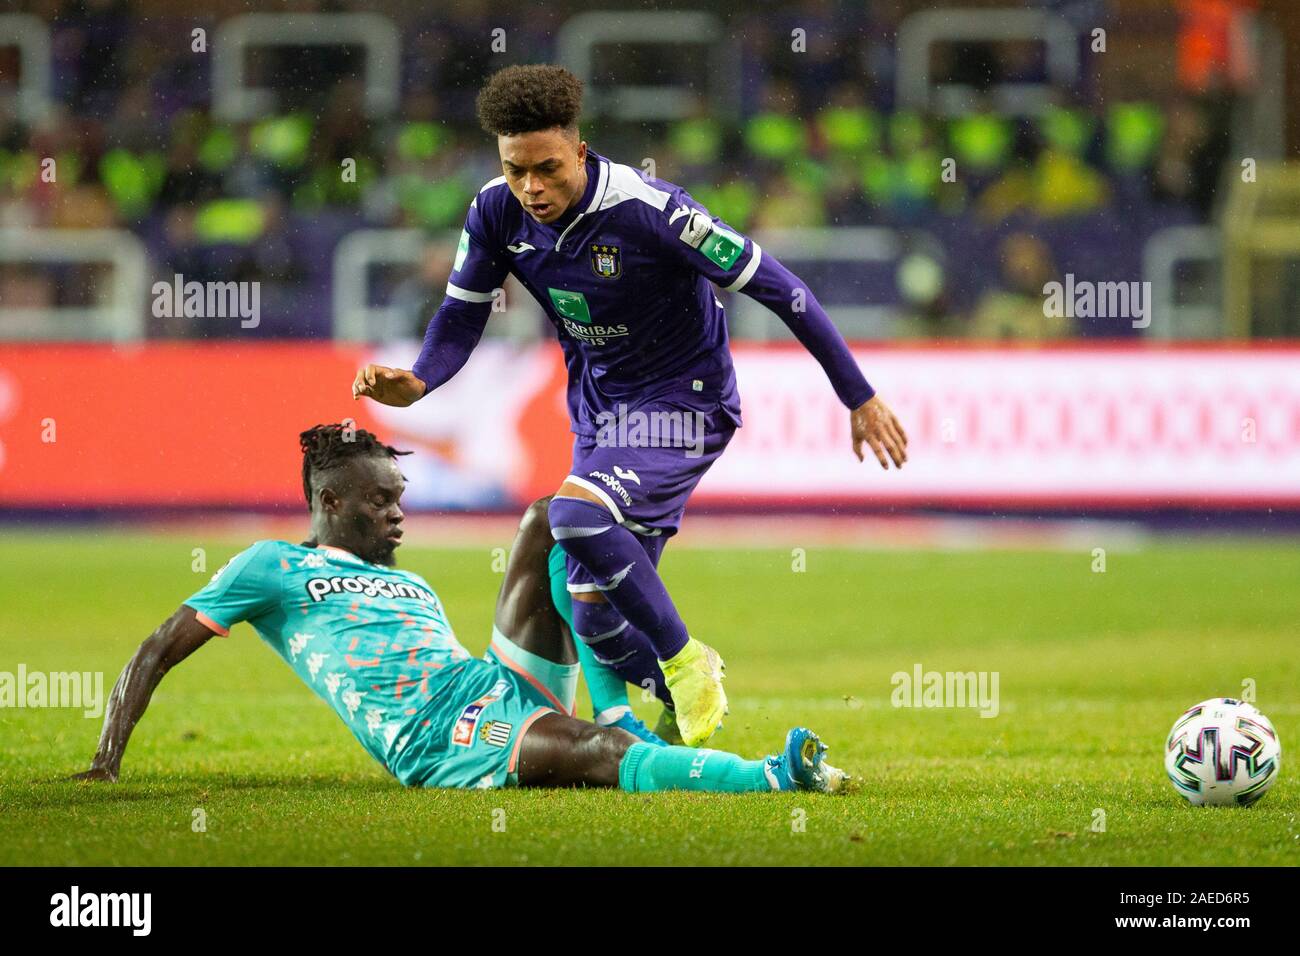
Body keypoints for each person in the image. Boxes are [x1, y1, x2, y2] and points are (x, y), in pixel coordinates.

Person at [353, 64, 908, 748]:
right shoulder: (495, 211)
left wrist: (859, 395)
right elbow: (461, 317)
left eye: (548, 168)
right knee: (588, 607)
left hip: (685, 402)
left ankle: (686, 664)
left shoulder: (653, 211)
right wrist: (417, 382)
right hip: (599, 410)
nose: (532, 187)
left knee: (574, 514)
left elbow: (781, 288)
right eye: (515, 169)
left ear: (579, 151)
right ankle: (660, 719)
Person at [71, 424, 847, 796]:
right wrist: (109, 755)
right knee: (594, 760)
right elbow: (157, 648)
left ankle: (622, 711)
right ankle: (772, 778)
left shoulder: (409, 583)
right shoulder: (270, 567)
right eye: (381, 502)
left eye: (400, 499)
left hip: (491, 682)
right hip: (438, 735)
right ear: (330, 500)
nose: (398, 517)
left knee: (555, 516)